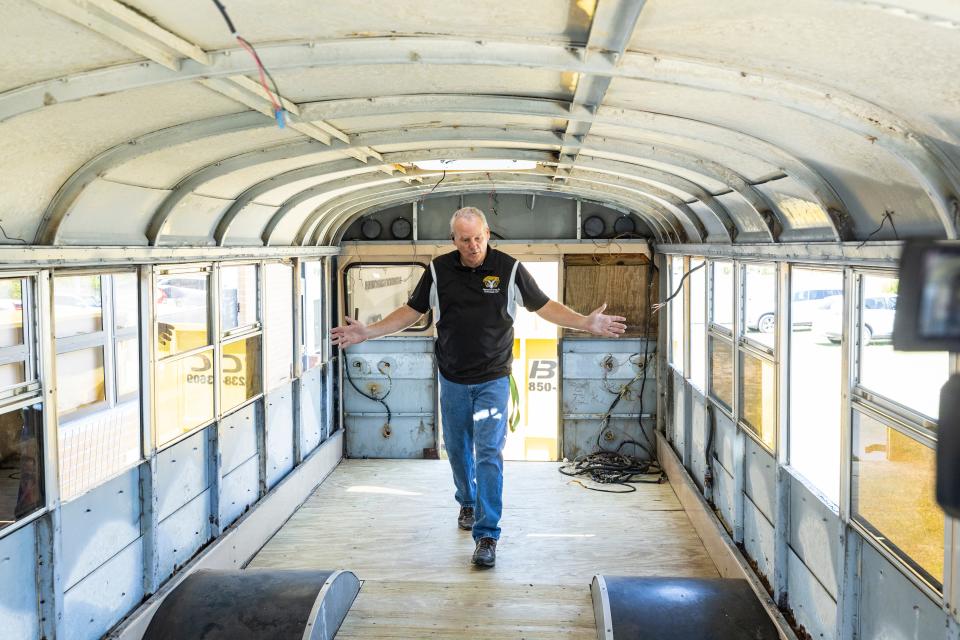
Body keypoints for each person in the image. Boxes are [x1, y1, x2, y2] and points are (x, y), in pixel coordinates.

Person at [331, 207, 626, 567]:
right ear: (454, 240)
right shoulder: (439, 271)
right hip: (453, 378)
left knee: (488, 453)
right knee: (457, 449)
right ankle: (467, 502)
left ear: (487, 234)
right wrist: (368, 331)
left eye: (478, 238)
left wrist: (584, 323)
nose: (473, 246)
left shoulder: (509, 268)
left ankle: (487, 534)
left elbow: (543, 307)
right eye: (465, 239)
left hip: (493, 379)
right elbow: (412, 311)